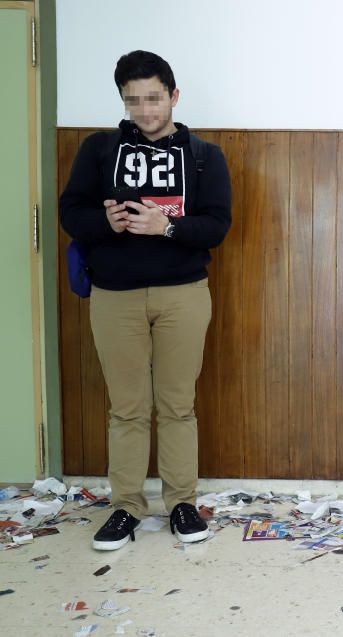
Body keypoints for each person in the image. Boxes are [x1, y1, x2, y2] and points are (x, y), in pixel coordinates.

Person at [59, 51, 231, 551]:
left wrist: (168, 225)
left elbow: (218, 225)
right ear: (122, 99)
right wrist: (105, 223)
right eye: (133, 100)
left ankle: (181, 502)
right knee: (127, 408)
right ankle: (126, 507)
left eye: (153, 98)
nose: (144, 110)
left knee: (178, 405)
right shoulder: (98, 149)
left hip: (183, 293)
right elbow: (72, 211)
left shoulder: (204, 156)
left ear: (173, 96)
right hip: (115, 296)